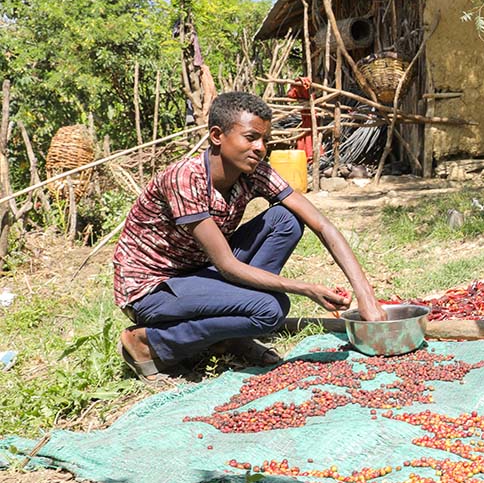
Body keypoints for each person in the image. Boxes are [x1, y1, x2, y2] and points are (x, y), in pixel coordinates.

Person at [113, 91, 386, 382]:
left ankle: (230, 336)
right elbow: (227, 265)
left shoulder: (256, 173)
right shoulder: (185, 178)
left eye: (264, 140)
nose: (261, 148)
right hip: (154, 291)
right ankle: (147, 342)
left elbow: (322, 224)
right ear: (217, 136)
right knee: (270, 309)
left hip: (198, 274)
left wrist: (365, 295)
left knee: (286, 219)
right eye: (251, 137)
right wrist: (305, 288)